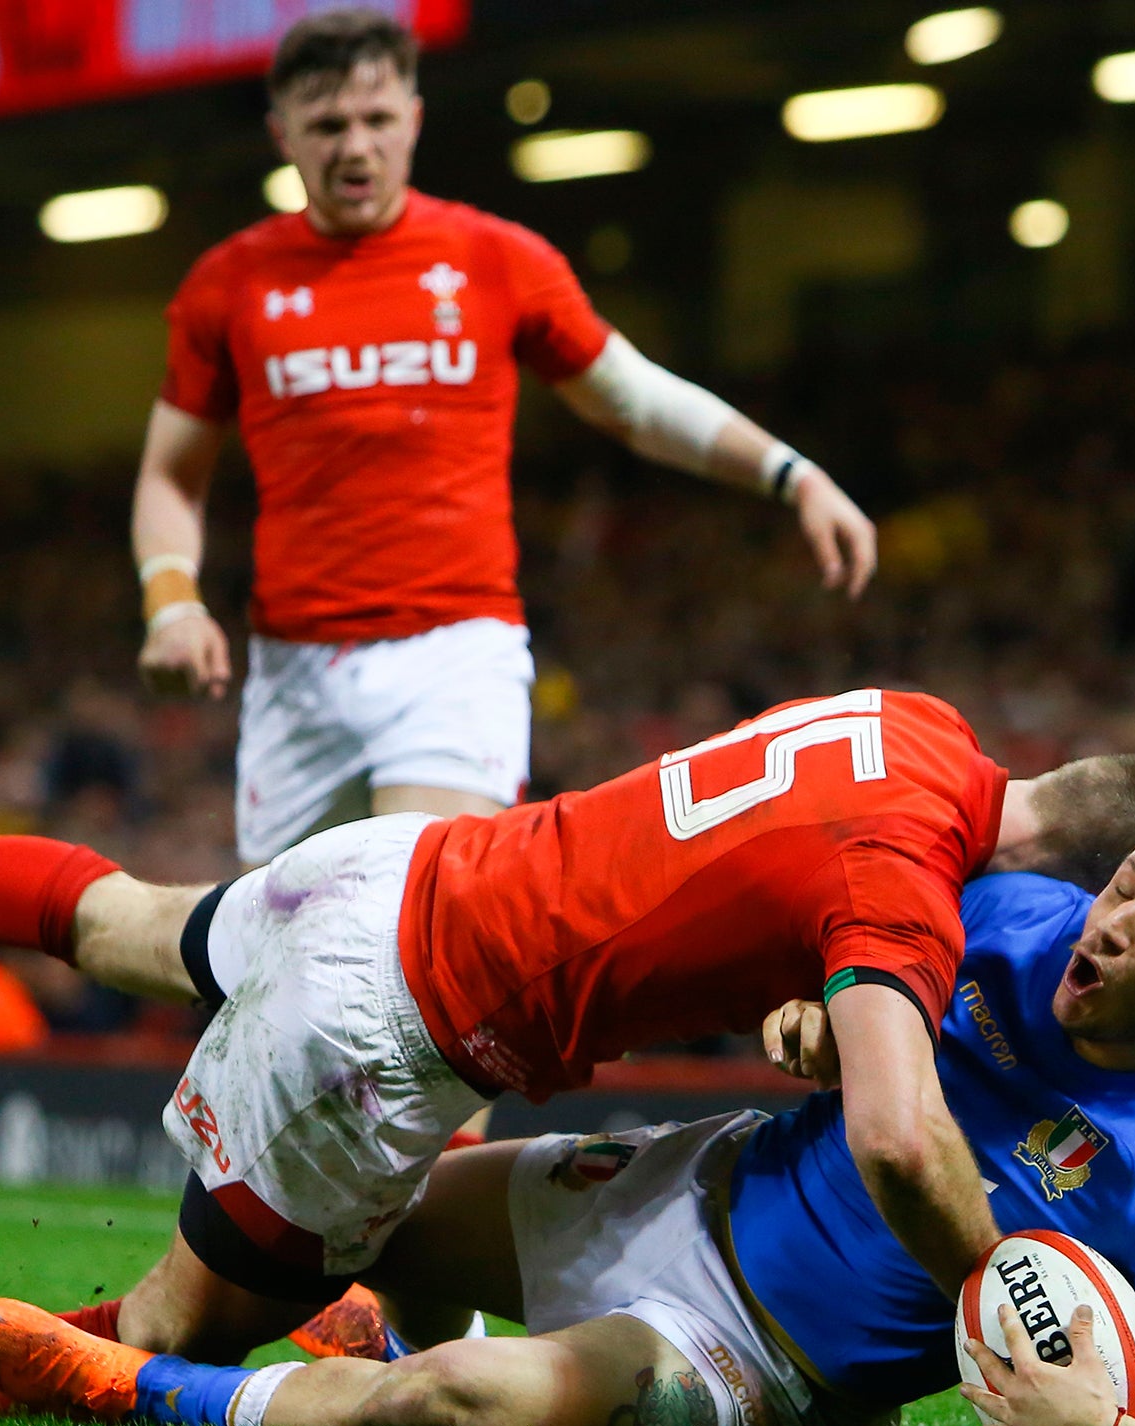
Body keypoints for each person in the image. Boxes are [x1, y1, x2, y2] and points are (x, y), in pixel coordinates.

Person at [0, 805, 1135, 1426]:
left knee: (458, 1393)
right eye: (1122, 888)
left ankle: (66, 1387)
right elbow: (844, 1006)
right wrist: (814, 1015)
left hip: (746, 1356)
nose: (1106, 928)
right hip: (687, 1176)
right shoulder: (1009, 912)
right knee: (333, 1229)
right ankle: (249, 1333)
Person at [0, 693, 1135, 1362]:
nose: (1096, 942)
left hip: (409, 865)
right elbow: (900, 1138)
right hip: (403, 1017)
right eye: (1123, 906)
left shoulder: (916, 730)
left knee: (121, 920)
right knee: (166, 1338)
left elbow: (762, 870)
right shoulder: (911, 894)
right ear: (1093, 873)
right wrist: (1005, 1297)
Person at [132, 9, 878, 867]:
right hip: (295, 672)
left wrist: (795, 475)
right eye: (328, 125)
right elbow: (170, 476)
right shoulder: (228, 286)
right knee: (288, 949)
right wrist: (173, 601)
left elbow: (634, 401)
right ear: (282, 135)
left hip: (455, 652)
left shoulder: (496, 259)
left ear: (413, 120)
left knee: (418, 906)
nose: (355, 148)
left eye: (377, 121)